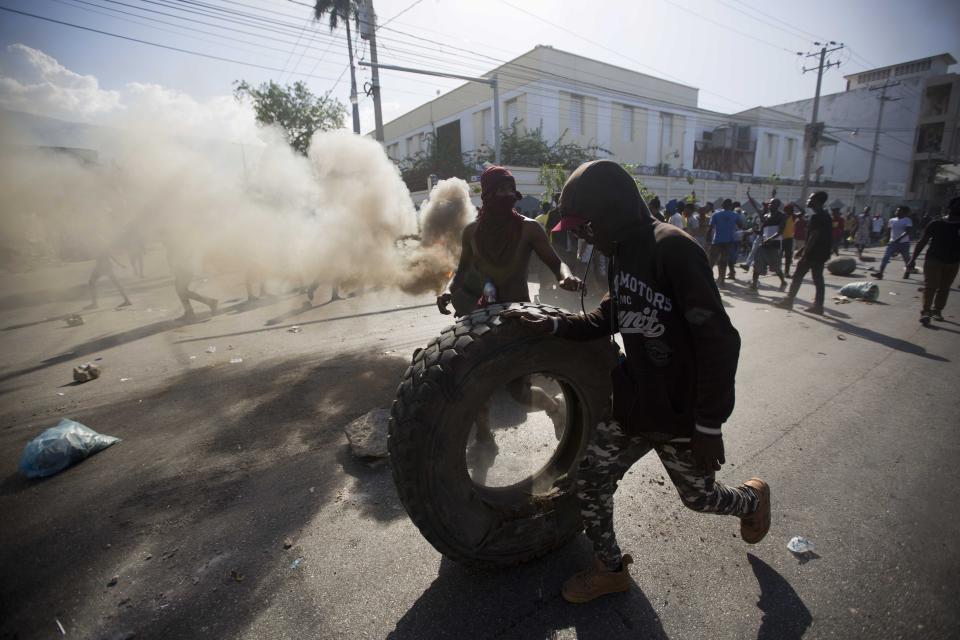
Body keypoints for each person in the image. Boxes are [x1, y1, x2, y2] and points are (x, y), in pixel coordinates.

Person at [503, 160, 770, 604]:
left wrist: (709, 425)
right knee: (590, 475)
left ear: (612, 210)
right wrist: (553, 326)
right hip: (635, 401)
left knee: (699, 498)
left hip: (681, 412)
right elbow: (611, 315)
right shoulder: (622, 251)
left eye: (586, 226)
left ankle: (750, 499)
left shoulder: (674, 249)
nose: (583, 236)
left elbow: (720, 341)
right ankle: (609, 569)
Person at [437, 166, 583, 443]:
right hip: (483, 317)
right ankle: (483, 436)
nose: (506, 195)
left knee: (519, 392)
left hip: (519, 318)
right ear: (487, 194)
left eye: (509, 189)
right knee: (475, 383)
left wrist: (566, 277)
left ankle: (555, 409)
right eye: (499, 190)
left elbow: (556, 262)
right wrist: (447, 291)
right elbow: (461, 271)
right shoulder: (471, 232)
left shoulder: (529, 228)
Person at [774, 191, 832, 315]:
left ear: (816, 201)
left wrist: (805, 253)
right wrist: (802, 249)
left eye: (810, 198)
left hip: (813, 253)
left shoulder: (817, 217)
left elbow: (814, 236)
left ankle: (789, 301)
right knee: (818, 279)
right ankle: (818, 306)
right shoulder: (826, 215)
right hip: (821, 253)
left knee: (798, 277)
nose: (808, 200)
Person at [908, 196, 960, 324]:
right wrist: (912, 259)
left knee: (944, 288)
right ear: (950, 208)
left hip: (953, 262)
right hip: (934, 259)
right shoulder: (936, 224)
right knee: (931, 286)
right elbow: (922, 242)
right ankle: (926, 312)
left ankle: (937, 311)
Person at [749, 198, 788, 293]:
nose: (770, 205)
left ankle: (783, 282)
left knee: (775, 267)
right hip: (764, 244)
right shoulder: (765, 216)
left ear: (777, 205)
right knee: (757, 265)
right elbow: (762, 232)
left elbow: (780, 231)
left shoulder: (782, 216)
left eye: (772, 204)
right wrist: (754, 230)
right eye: (770, 204)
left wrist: (770, 239)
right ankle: (754, 286)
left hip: (775, 244)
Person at [871, 205, 913, 280]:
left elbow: (908, 231)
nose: (896, 212)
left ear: (904, 212)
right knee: (885, 258)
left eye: (898, 210)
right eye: (896, 210)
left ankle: (907, 272)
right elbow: (889, 231)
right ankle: (880, 273)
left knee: (906, 259)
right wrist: (885, 240)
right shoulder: (892, 220)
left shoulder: (907, 220)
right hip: (892, 243)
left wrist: (898, 239)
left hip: (904, 243)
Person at [706, 199, 742, 287]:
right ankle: (722, 280)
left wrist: (708, 241)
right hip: (728, 241)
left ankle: (707, 279)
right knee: (723, 261)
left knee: (711, 261)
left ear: (722, 205)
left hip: (717, 241)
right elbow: (741, 225)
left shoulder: (716, 215)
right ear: (731, 206)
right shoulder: (735, 215)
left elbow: (710, 229)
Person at [781, 203, 798, 276]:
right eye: (788, 209)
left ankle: (786, 272)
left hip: (789, 239)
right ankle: (777, 270)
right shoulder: (782, 216)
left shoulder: (793, 216)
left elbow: (803, 212)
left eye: (791, 210)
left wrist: (796, 205)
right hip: (781, 238)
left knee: (788, 256)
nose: (790, 211)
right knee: (778, 255)